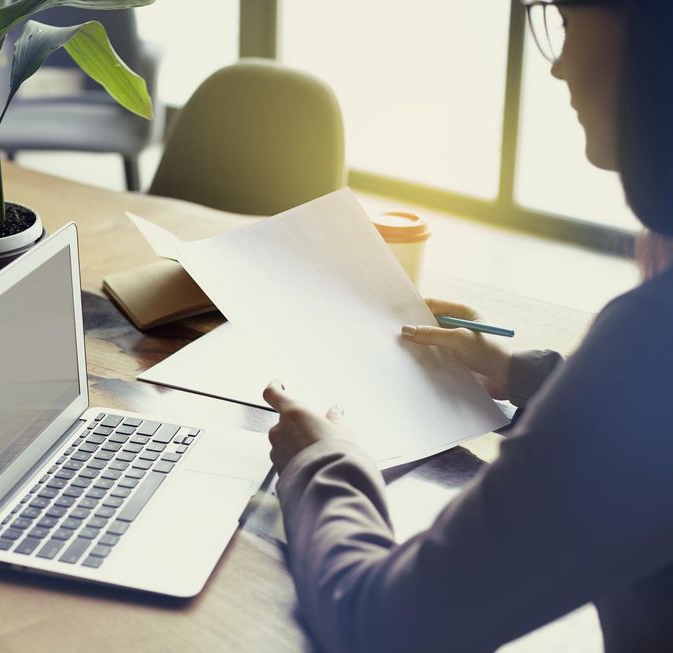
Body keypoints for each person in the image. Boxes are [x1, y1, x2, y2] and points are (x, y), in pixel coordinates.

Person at [262, 1, 673, 651]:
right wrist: (521, 372)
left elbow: (387, 624)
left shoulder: (652, 339)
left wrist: (323, 459)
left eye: (566, 22)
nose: (558, 66)